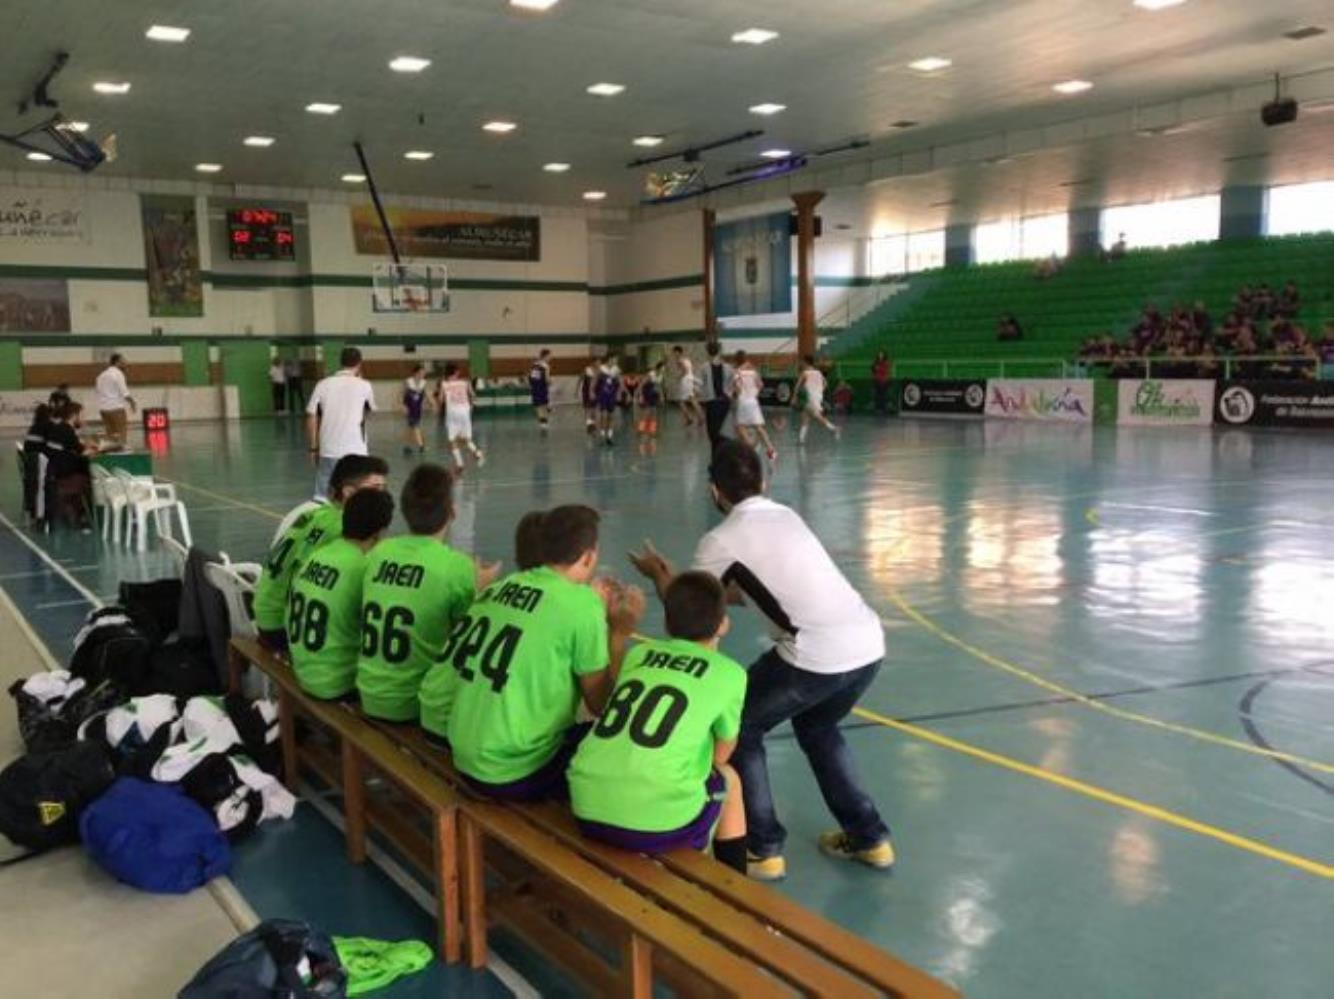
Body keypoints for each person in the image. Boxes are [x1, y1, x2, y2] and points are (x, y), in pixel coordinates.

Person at [629, 441, 893, 880]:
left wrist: (660, 574)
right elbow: (750, 590)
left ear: (714, 491)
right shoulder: (786, 515)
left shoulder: (720, 540)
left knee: (743, 726)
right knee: (818, 726)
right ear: (764, 480)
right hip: (867, 644)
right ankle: (870, 838)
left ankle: (762, 846)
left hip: (815, 654)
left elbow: (690, 610)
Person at [433, 505, 643, 801]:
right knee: (623, 740)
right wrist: (618, 633)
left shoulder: (503, 585)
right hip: (514, 769)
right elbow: (601, 704)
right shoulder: (580, 606)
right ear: (588, 556)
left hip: (465, 754)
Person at [569, 571, 749, 873]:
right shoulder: (730, 673)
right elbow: (719, 756)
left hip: (586, 806)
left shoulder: (641, 653)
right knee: (728, 780)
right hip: (652, 825)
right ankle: (737, 893)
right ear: (724, 624)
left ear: (667, 623)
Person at [360, 464, 500, 724]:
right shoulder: (457, 568)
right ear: (452, 513)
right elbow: (471, 640)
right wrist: (482, 591)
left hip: (368, 692)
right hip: (415, 702)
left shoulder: (379, 552)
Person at [254, 455, 390, 653]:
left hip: (266, 613)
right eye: (375, 488)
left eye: (384, 488)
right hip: (283, 626)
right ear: (349, 492)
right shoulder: (344, 528)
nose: (382, 495)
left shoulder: (311, 513)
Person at [288, 488, 395, 702]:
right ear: (379, 533)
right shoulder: (364, 567)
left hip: (303, 671)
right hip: (337, 684)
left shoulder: (318, 554)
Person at [307, 347, 377, 499]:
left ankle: (321, 520)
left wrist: (313, 447)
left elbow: (312, 416)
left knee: (322, 494)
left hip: (329, 448)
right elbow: (369, 412)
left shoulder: (323, 384)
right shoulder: (365, 385)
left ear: (341, 362)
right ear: (359, 364)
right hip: (356, 448)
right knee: (357, 492)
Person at [41, 401, 97, 530]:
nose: (84, 418)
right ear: (74, 416)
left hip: (54, 471)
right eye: (82, 415)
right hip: (63, 474)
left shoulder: (61, 428)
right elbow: (82, 451)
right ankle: (83, 516)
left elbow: (77, 447)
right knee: (91, 479)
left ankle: (75, 512)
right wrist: (92, 449)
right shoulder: (67, 431)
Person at [731, 351, 776, 462]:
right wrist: (754, 393)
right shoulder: (754, 372)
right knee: (759, 427)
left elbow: (736, 388)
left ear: (736, 360)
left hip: (743, 401)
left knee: (740, 427)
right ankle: (771, 449)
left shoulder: (737, 372)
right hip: (753, 401)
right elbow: (761, 385)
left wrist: (737, 394)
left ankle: (752, 448)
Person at [439, 362, 485, 471]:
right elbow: (473, 395)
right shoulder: (465, 382)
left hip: (453, 413)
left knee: (452, 440)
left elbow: (441, 399)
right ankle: (477, 453)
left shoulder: (444, 384)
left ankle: (460, 464)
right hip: (465, 412)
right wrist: (471, 405)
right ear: (456, 372)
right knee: (466, 438)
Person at [94, 353, 136, 447]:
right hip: (116, 408)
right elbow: (125, 392)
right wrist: (132, 402)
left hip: (103, 409)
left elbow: (97, 392)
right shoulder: (118, 374)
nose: (126, 364)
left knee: (110, 433)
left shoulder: (101, 375)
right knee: (121, 432)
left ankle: (111, 452)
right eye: (124, 362)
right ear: (117, 362)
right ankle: (122, 450)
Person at [21, 403, 54, 523]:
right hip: (38, 462)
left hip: (29, 462)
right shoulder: (48, 425)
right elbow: (52, 445)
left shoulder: (34, 426)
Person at [795, 355, 838, 444]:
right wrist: (819, 391)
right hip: (817, 396)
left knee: (817, 417)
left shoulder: (805, 372)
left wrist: (794, 397)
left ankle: (833, 428)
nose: (800, 363)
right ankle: (801, 439)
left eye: (802, 361)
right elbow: (825, 384)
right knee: (805, 416)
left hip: (810, 397)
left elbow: (797, 386)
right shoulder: (818, 372)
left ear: (806, 362)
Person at [701, 342, 734, 449]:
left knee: (712, 430)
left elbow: (701, 384)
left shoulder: (704, 367)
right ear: (719, 351)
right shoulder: (729, 367)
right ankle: (722, 448)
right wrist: (729, 393)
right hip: (724, 401)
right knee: (717, 429)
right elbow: (733, 382)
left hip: (712, 401)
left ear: (707, 352)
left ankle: (721, 449)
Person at [402, 363, 430, 456]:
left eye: (424, 373)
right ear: (416, 373)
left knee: (411, 428)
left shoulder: (424, 382)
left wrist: (432, 403)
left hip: (418, 408)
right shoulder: (408, 381)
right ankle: (421, 446)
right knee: (415, 426)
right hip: (409, 407)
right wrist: (403, 406)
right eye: (422, 372)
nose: (423, 374)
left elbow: (427, 394)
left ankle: (407, 446)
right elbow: (401, 394)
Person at [673, 346, 704, 428]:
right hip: (690, 379)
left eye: (674, 352)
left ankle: (689, 419)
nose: (673, 354)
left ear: (678, 352)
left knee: (681, 401)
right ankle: (700, 418)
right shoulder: (687, 360)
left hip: (685, 381)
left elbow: (685, 370)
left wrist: (678, 377)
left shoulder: (680, 360)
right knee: (692, 400)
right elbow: (689, 370)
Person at [594, 355, 622, 446]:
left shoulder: (616, 369)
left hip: (612, 395)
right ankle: (602, 436)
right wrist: (591, 391)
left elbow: (619, 382)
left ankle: (610, 436)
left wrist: (619, 393)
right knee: (604, 416)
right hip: (603, 395)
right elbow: (594, 381)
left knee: (611, 416)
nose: (616, 361)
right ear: (610, 359)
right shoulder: (601, 369)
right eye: (615, 359)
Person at [636, 363, 663, 440]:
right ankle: (640, 430)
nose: (663, 370)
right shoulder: (651, 374)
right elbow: (641, 385)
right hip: (647, 394)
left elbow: (658, 386)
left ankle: (652, 431)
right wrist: (641, 395)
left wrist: (661, 396)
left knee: (654, 413)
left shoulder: (660, 376)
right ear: (659, 368)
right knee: (646, 413)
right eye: (662, 368)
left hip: (654, 395)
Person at [529, 349, 553, 433]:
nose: (551, 357)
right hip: (542, 388)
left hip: (534, 388)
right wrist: (550, 382)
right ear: (545, 356)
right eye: (550, 356)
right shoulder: (546, 366)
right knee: (544, 406)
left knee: (538, 407)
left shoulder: (534, 364)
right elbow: (546, 379)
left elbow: (531, 377)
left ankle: (542, 425)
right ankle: (545, 423)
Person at [576, 362, 598, 434]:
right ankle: (589, 425)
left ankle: (593, 424)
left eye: (600, 362)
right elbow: (580, 379)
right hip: (586, 392)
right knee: (587, 408)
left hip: (595, 393)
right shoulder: (587, 370)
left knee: (594, 409)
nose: (598, 364)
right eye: (597, 362)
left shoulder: (599, 371)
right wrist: (576, 390)